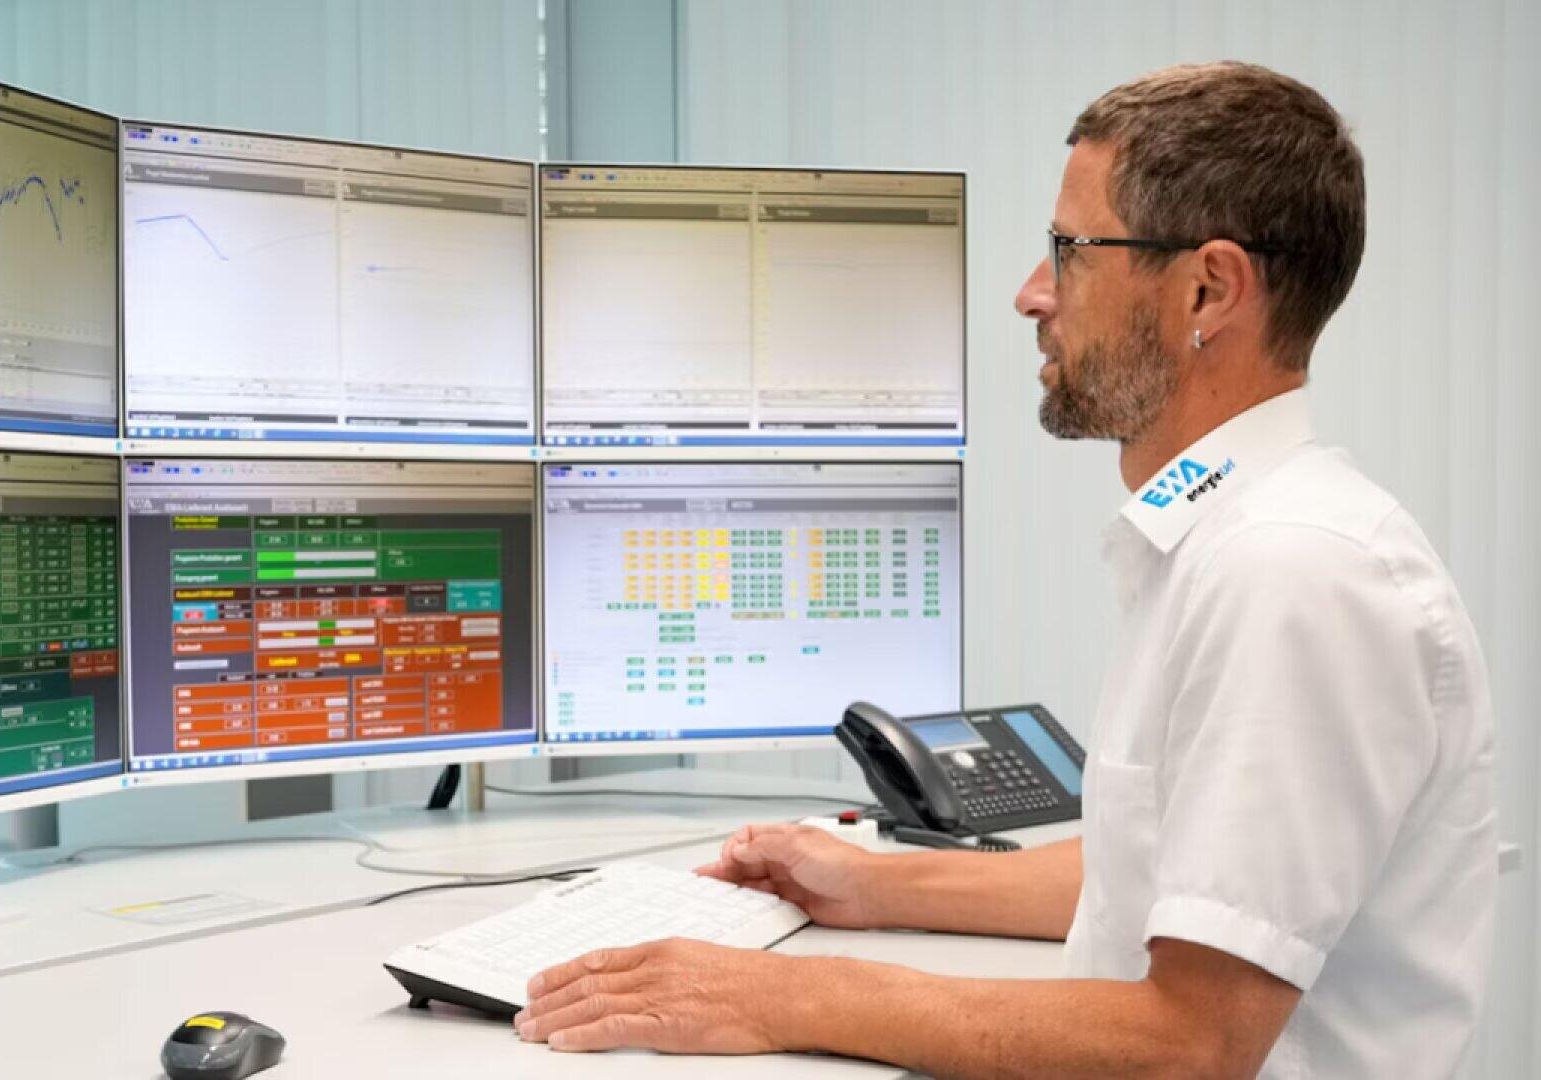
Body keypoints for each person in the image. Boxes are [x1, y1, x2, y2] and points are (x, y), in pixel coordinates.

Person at [513, 61, 1497, 1078]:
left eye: (1070, 252)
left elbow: (1192, 1046)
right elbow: (1166, 881)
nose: (1033, 294)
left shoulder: (1293, 575)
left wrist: (785, 993)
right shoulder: (1229, 544)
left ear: (1209, 287)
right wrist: (872, 889)